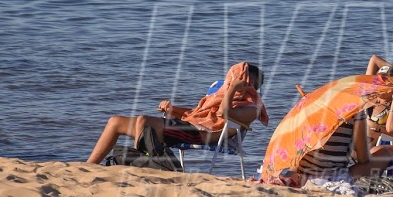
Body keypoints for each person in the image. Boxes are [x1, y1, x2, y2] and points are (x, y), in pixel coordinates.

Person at [86, 62, 268, 165]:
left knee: (144, 121)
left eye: (239, 79)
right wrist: (173, 110)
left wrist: (231, 90)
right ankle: (90, 166)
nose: (233, 81)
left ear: (250, 85)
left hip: (202, 135)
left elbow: (222, 113)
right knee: (115, 121)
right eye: (233, 78)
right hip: (189, 127)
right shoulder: (219, 96)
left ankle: (139, 169)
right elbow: (197, 114)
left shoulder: (252, 108)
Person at [363, 54, 393, 145]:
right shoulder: (369, 96)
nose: (378, 86)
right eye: (377, 82)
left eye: (384, 83)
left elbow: (391, 129)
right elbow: (374, 59)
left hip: (373, 144)